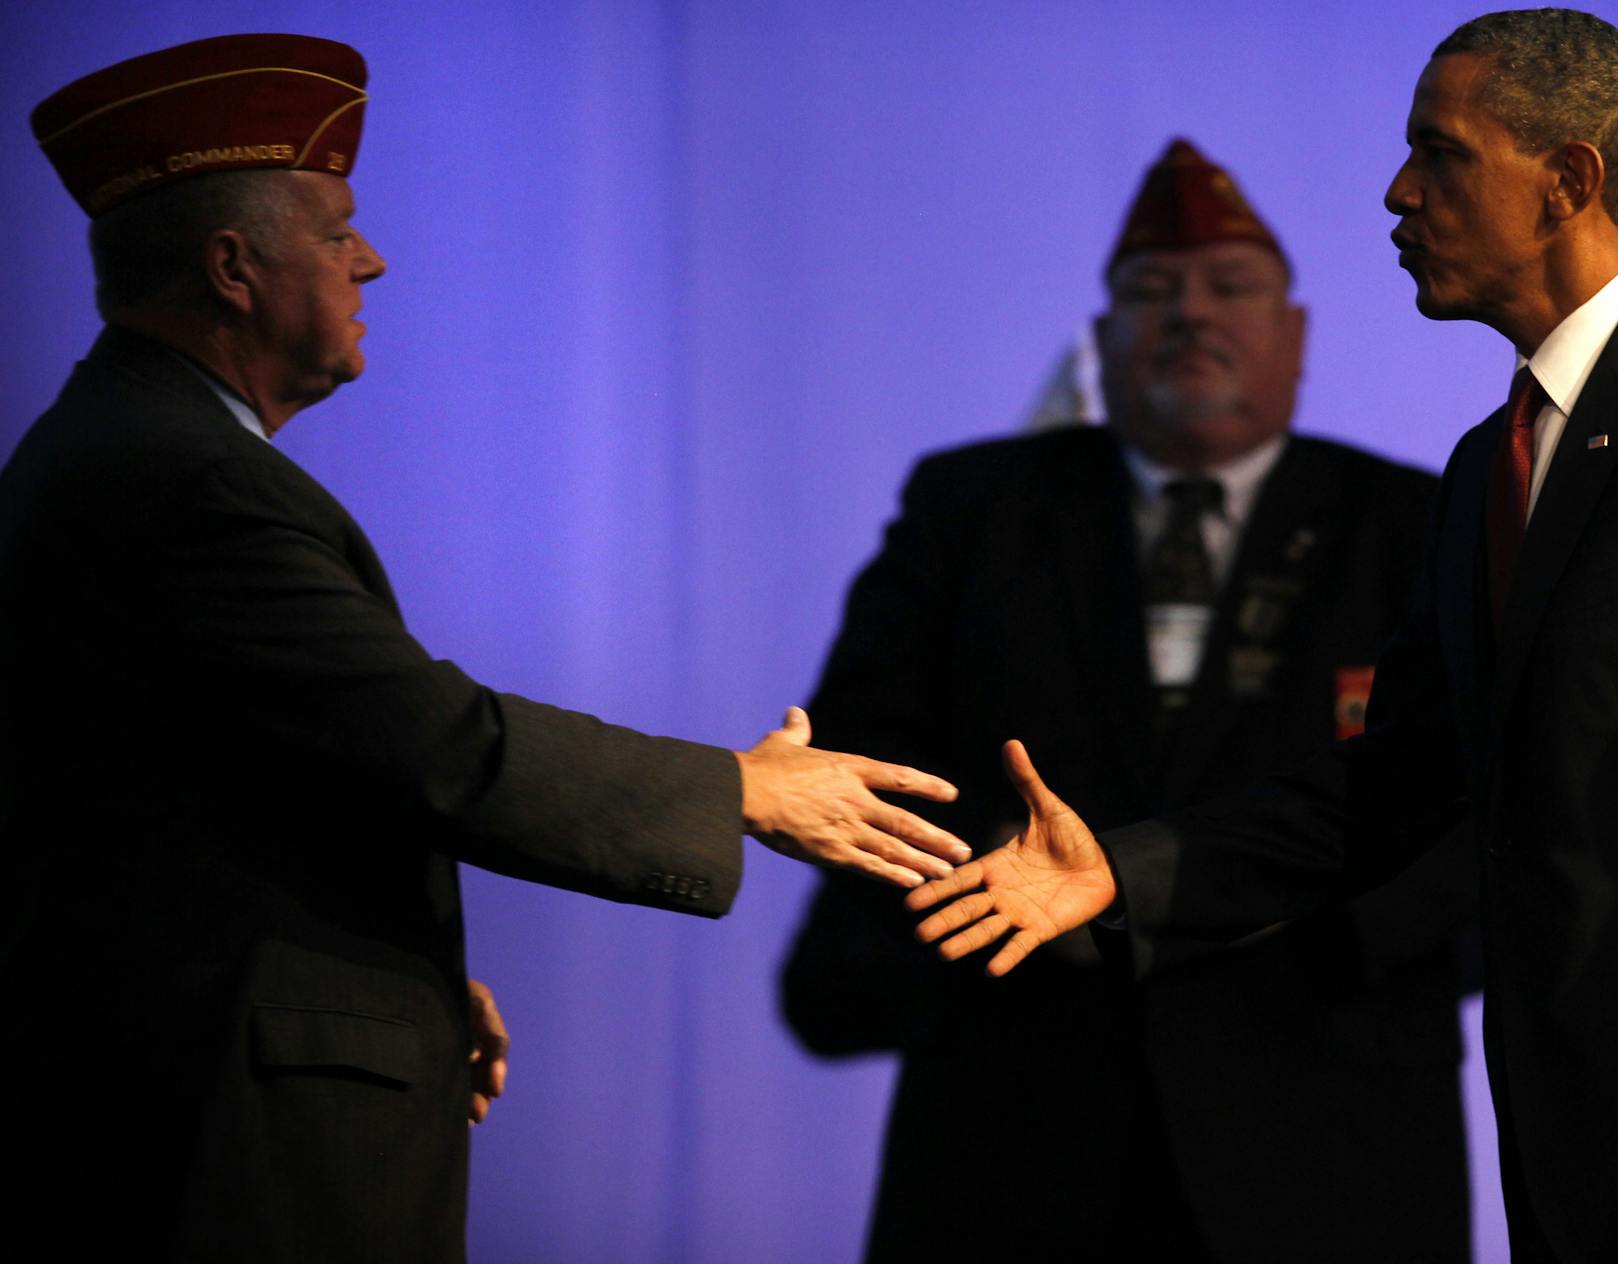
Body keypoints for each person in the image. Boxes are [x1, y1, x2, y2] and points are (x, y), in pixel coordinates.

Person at [911, 11, 1618, 1262]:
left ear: (1570, 180)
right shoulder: (1484, 469)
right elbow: (1398, 785)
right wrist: (1120, 872)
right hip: (1582, 1143)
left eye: (1440, 155)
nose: (1397, 194)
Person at [0, 34, 970, 1261]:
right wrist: (738, 790)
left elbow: (246, 780)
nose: (372, 260)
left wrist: (388, 965)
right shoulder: (181, 479)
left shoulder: (131, 448)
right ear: (233, 267)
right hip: (219, 1139)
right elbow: (422, 738)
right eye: (336, 230)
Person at [781, 138, 1472, 1261]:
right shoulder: (976, 510)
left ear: (1296, 339)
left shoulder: (1415, 521)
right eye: (1151, 292)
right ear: (1102, 342)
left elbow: (1484, 805)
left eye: (1230, 288)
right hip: (1012, 1138)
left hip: (1329, 1142)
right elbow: (858, 766)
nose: (1190, 314)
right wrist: (977, 860)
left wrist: (1276, 913)